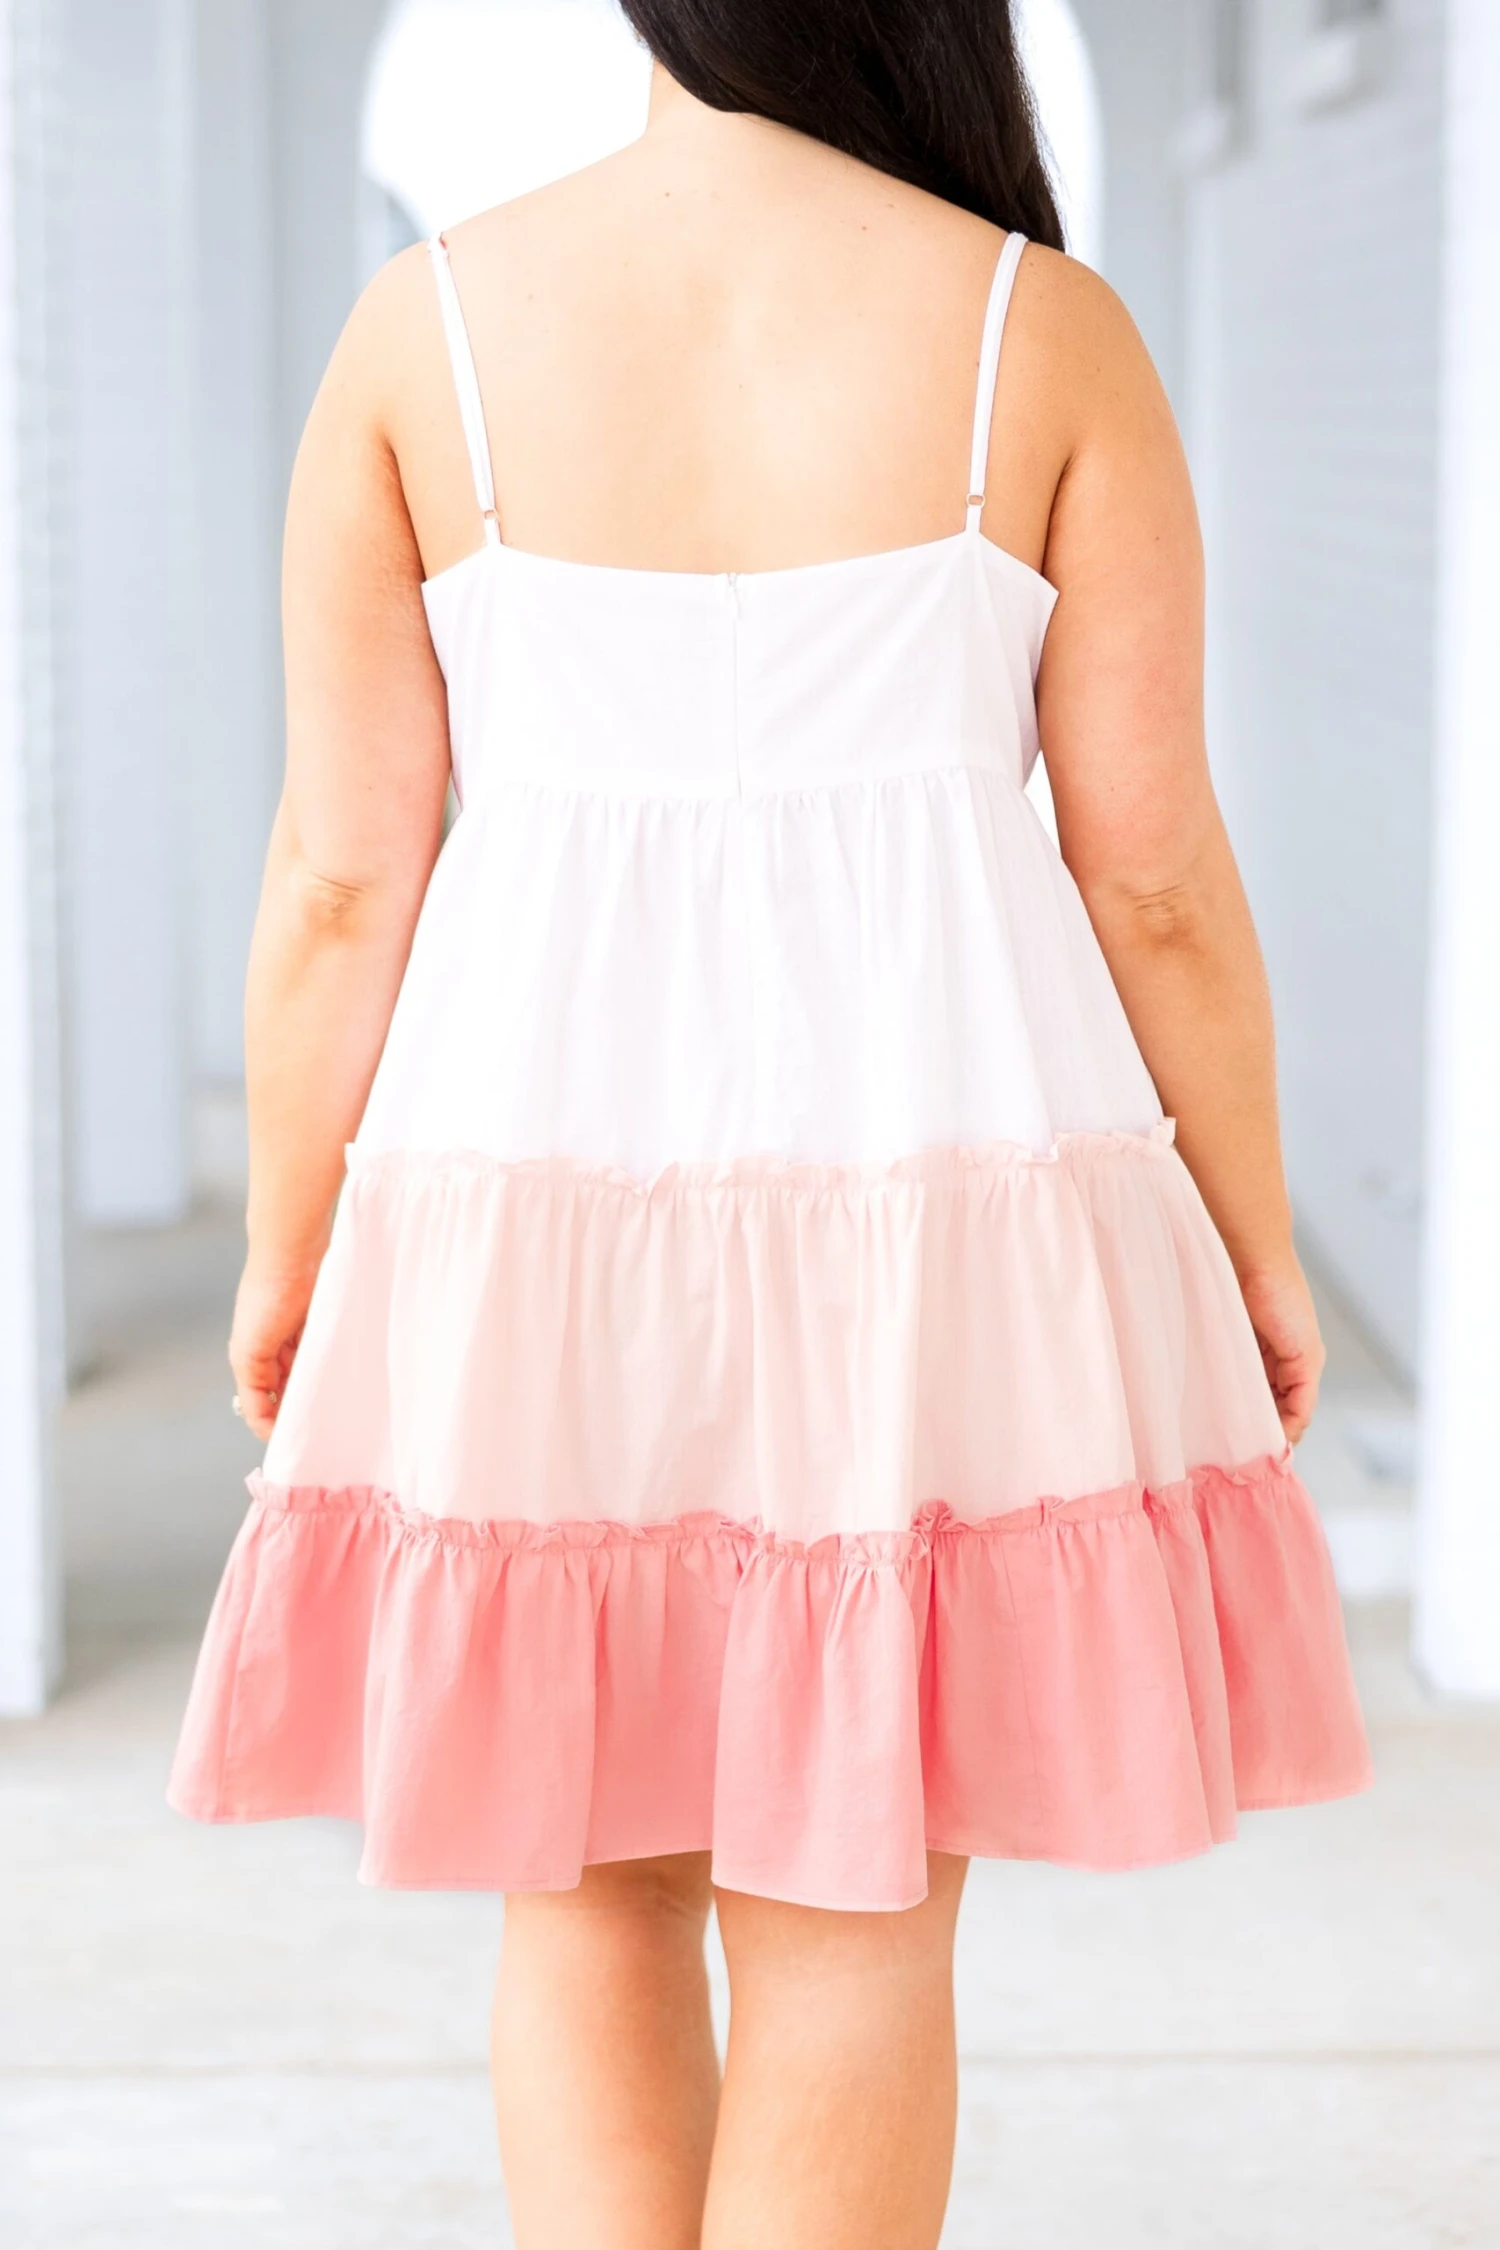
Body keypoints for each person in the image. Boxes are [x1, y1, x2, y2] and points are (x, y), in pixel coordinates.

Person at [170, 5, 1371, 2244]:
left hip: (528, 1195)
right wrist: (1254, 1235)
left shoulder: (427, 332)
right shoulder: (1038, 328)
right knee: (857, 1904)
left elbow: (342, 875)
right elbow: (1155, 879)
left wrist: (288, 1243)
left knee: (583, 1878)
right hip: (930, 1197)